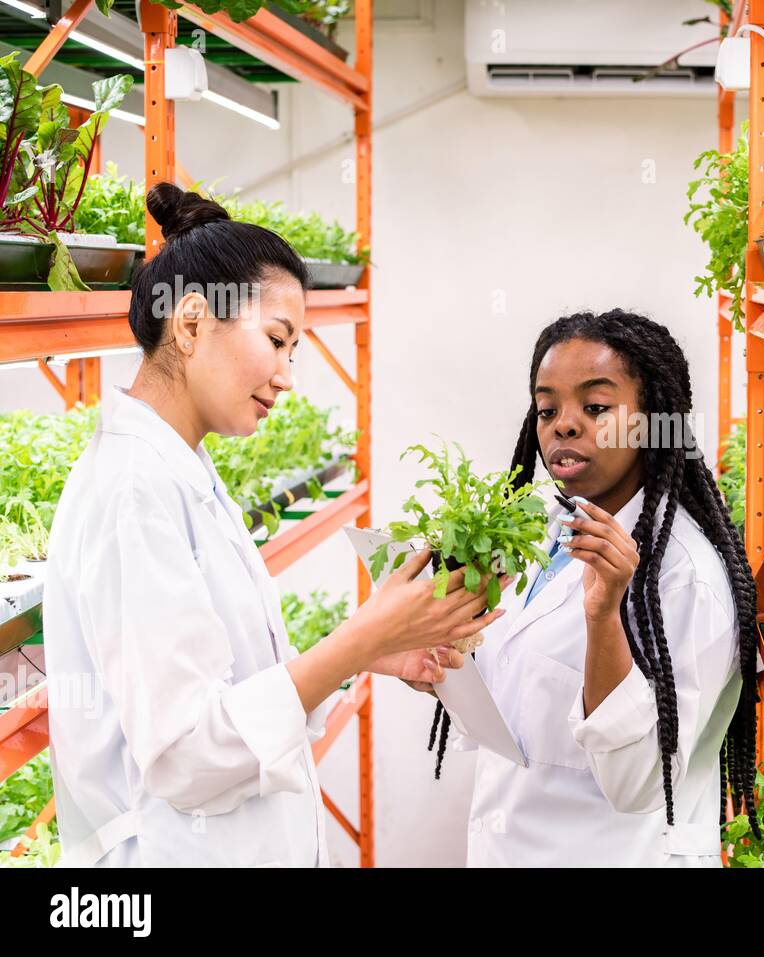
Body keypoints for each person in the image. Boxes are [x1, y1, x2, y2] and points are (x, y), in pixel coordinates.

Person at [42, 184, 506, 867]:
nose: (287, 376)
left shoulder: (181, 469)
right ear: (192, 323)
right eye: (277, 341)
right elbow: (188, 753)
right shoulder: (133, 492)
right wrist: (359, 638)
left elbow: (222, 687)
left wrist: (369, 654)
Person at [421, 309, 760, 867]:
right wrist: (444, 661)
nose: (564, 425)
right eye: (547, 408)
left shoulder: (684, 575)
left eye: (596, 407)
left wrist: (604, 619)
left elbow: (641, 783)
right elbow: (521, 693)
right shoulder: (546, 527)